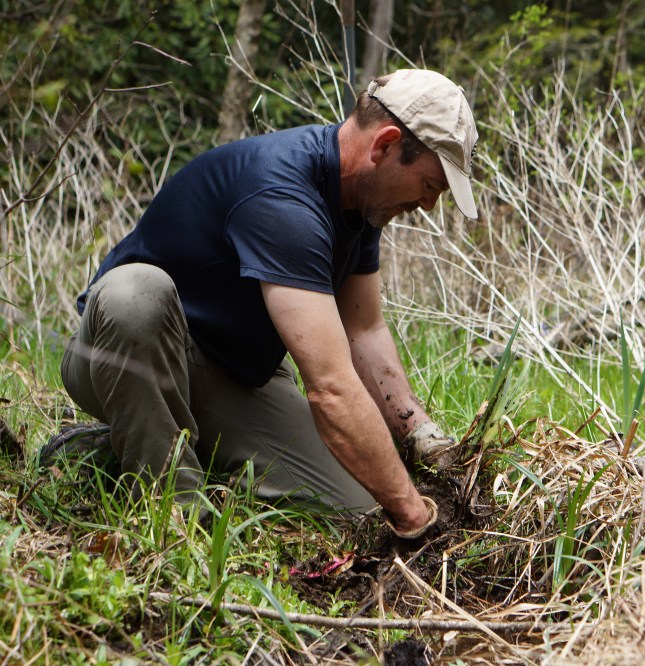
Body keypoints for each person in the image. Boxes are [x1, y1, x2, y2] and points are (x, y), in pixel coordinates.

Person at [57, 69, 479, 538]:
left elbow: (365, 332)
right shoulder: (282, 196)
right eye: (430, 184)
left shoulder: (359, 203)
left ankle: (125, 449)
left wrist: (422, 439)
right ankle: (173, 515)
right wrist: (414, 515)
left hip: (235, 373)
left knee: (355, 512)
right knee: (134, 293)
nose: (428, 206)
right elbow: (331, 387)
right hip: (121, 352)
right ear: (385, 145)